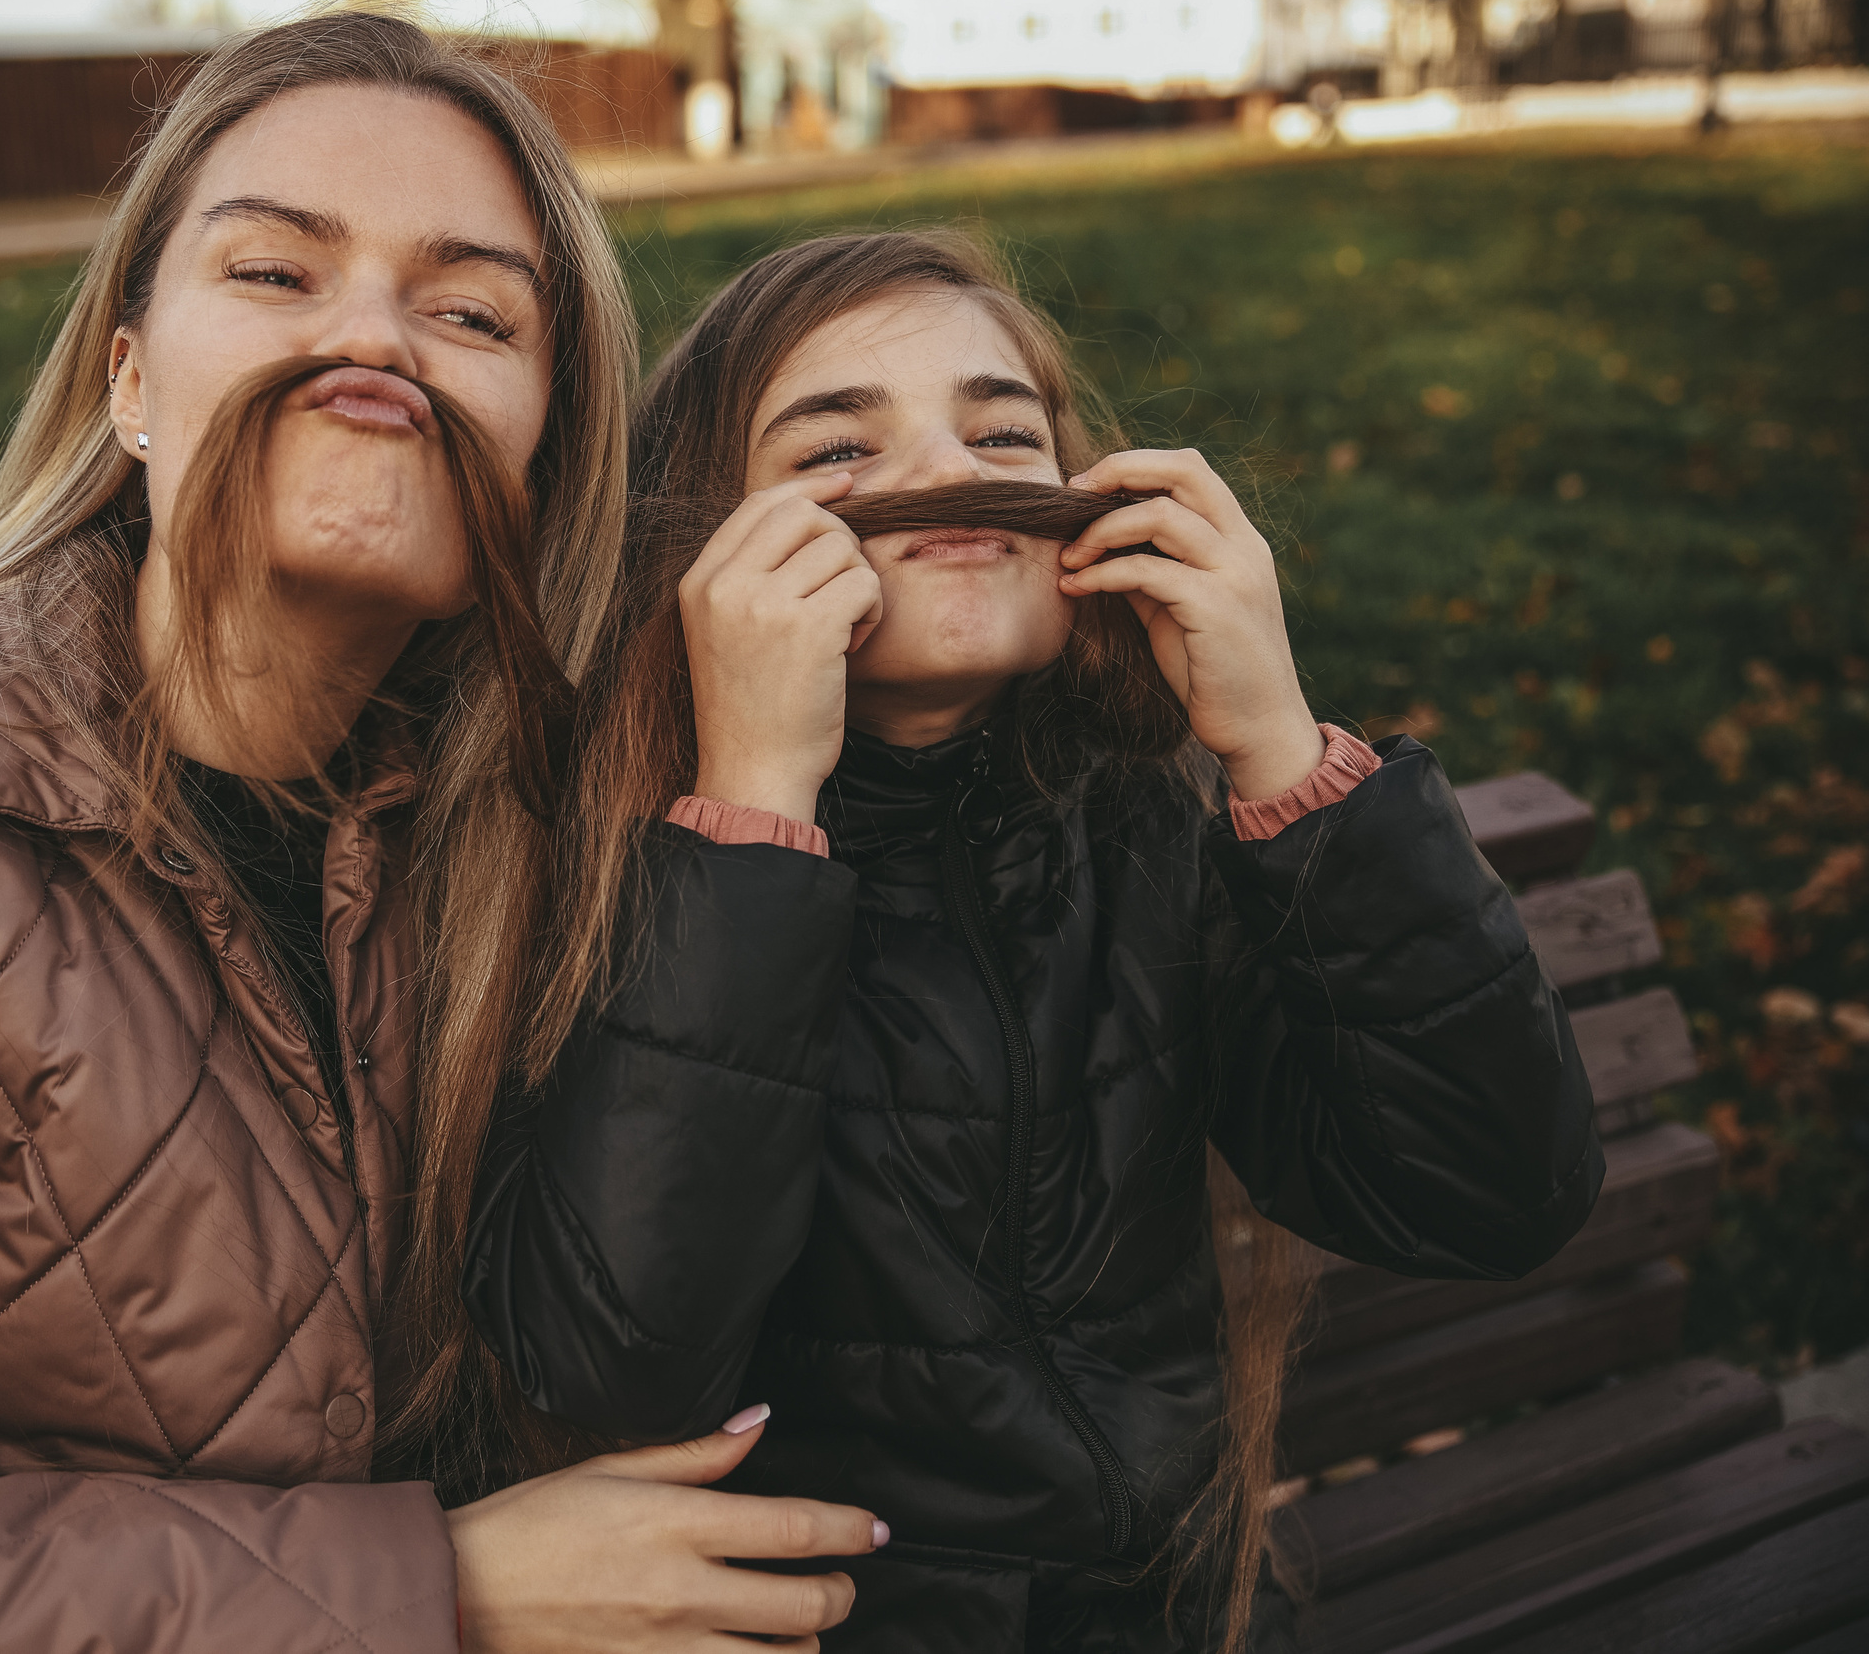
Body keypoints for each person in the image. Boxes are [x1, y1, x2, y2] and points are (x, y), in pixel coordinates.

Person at [0, 15, 881, 1654]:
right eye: (274, 274)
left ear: (540, 444)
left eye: (471, 312)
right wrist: (435, 1594)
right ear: (128, 379)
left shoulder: (551, 818)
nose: (375, 340)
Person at [462, 231, 1605, 1651]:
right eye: (833, 448)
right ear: (702, 546)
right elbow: (618, 1365)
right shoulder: (605, 869)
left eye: (1002, 429)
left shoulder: (1143, 824)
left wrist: (1280, 746)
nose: (945, 472)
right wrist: (754, 800)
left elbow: (1491, 1190)